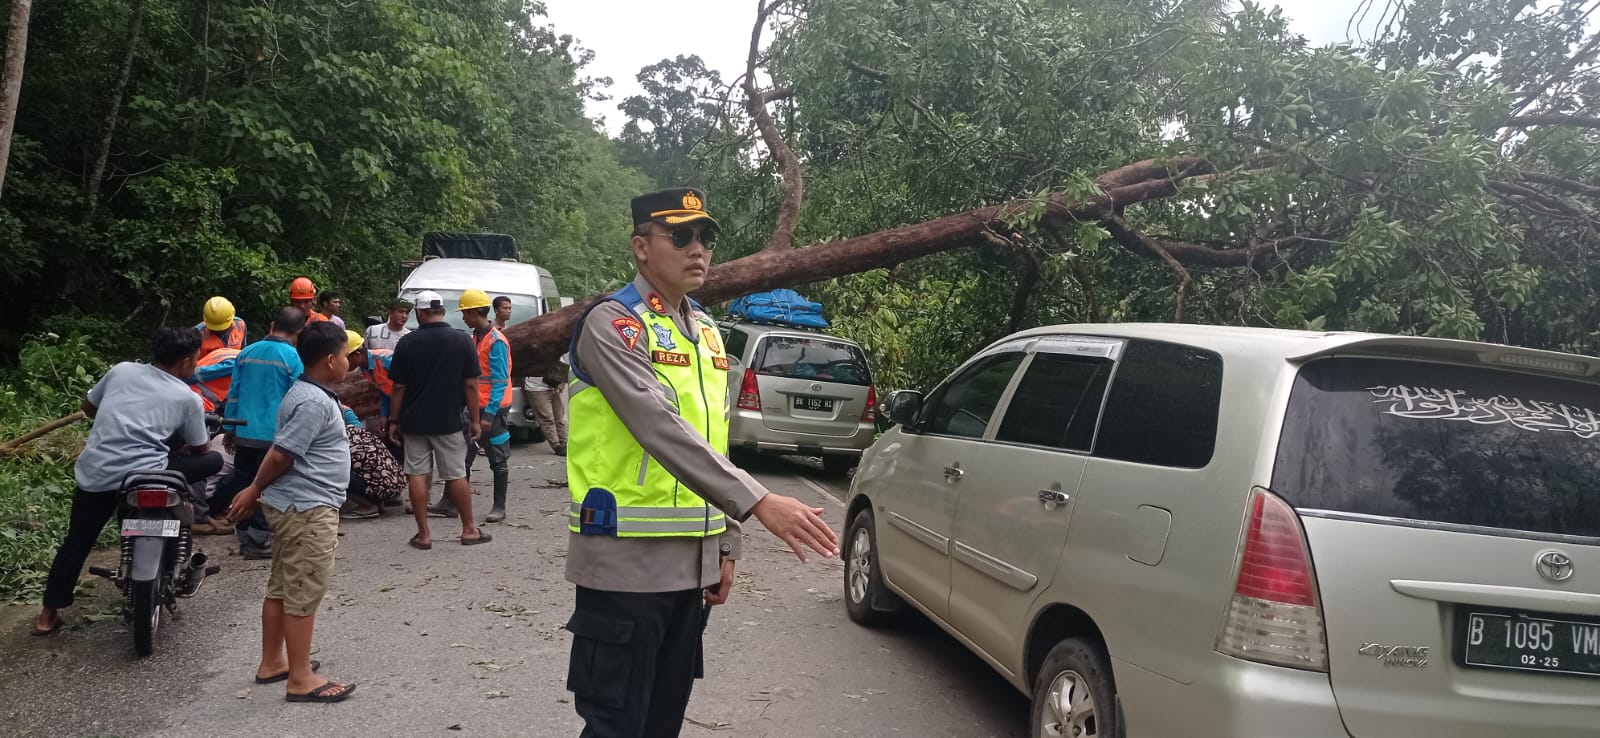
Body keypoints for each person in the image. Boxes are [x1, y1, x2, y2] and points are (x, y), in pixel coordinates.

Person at [563, 187, 838, 737]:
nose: (699, 250)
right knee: (618, 726)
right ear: (641, 247)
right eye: (681, 236)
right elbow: (658, 426)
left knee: (663, 723)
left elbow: (715, 444)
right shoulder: (614, 325)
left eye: (707, 238)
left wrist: (724, 543)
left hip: (689, 569)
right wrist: (760, 501)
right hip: (624, 565)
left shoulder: (707, 332)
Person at [34, 327, 223, 636]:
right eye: (197, 359)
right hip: (144, 476)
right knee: (213, 459)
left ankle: (47, 615)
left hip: (96, 474)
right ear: (186, 361)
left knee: (77, 541)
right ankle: (177, 535)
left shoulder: (121, 371)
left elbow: (88, 408)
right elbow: (200, 448)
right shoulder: (186, 398)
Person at [227, 322, 356, 703]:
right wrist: (253, 489)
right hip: (306, 507)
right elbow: (282, 452)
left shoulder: (307, 392)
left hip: (296, 503)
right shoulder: (313, 402)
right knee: (303, 588)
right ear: (331, 360)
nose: (349, 362)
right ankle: (300, 678)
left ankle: (273, 662)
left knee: (283, 585)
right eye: (346, 355)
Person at [386, 290, 491, 548]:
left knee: (417, 474)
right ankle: (468, 530)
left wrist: (394, 420)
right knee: (456, 474)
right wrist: (475, 419)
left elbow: (398, 387)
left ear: (420, 313)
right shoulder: (462, 341)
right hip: (449, 421)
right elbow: (470, 385)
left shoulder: (407, 343)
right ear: (442, 311)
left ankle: (424, 535)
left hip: (414, 421)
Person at [218, 306, 307, 559]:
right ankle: (259, 539)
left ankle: (244, 535)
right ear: (299, 332)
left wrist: (230, 429)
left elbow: (233, 393)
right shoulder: (292, 358)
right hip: (275, 438)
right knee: (270, 487)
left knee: (244, 483)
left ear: (272, 324)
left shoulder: (247, 352)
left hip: (245, 432)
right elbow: (297, 399)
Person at [458, 289, 513, 523]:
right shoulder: (475, 338)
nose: (462, 318)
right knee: (463, 456)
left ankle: (499, 507)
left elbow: (499, 381)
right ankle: (451, 502)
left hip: (494, 409)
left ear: (474, 312)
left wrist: (489, 414)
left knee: (497, 458)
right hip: (474, 407)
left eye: (465, 313)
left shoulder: (496, 341)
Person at [188, 346, 243, 535]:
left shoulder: (228, 352)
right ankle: (200, 517)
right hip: (198, 405)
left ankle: (200, 514)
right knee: (200, 460)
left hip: (193, 401)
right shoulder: (238, 363)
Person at [524, 356, 568, 456]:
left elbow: (562, 365)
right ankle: (557, 446)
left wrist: (562, 382)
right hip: (536, 388)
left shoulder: (553, 348)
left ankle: (565, 442)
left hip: (552, 386)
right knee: (547, 418)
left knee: (560, 417)